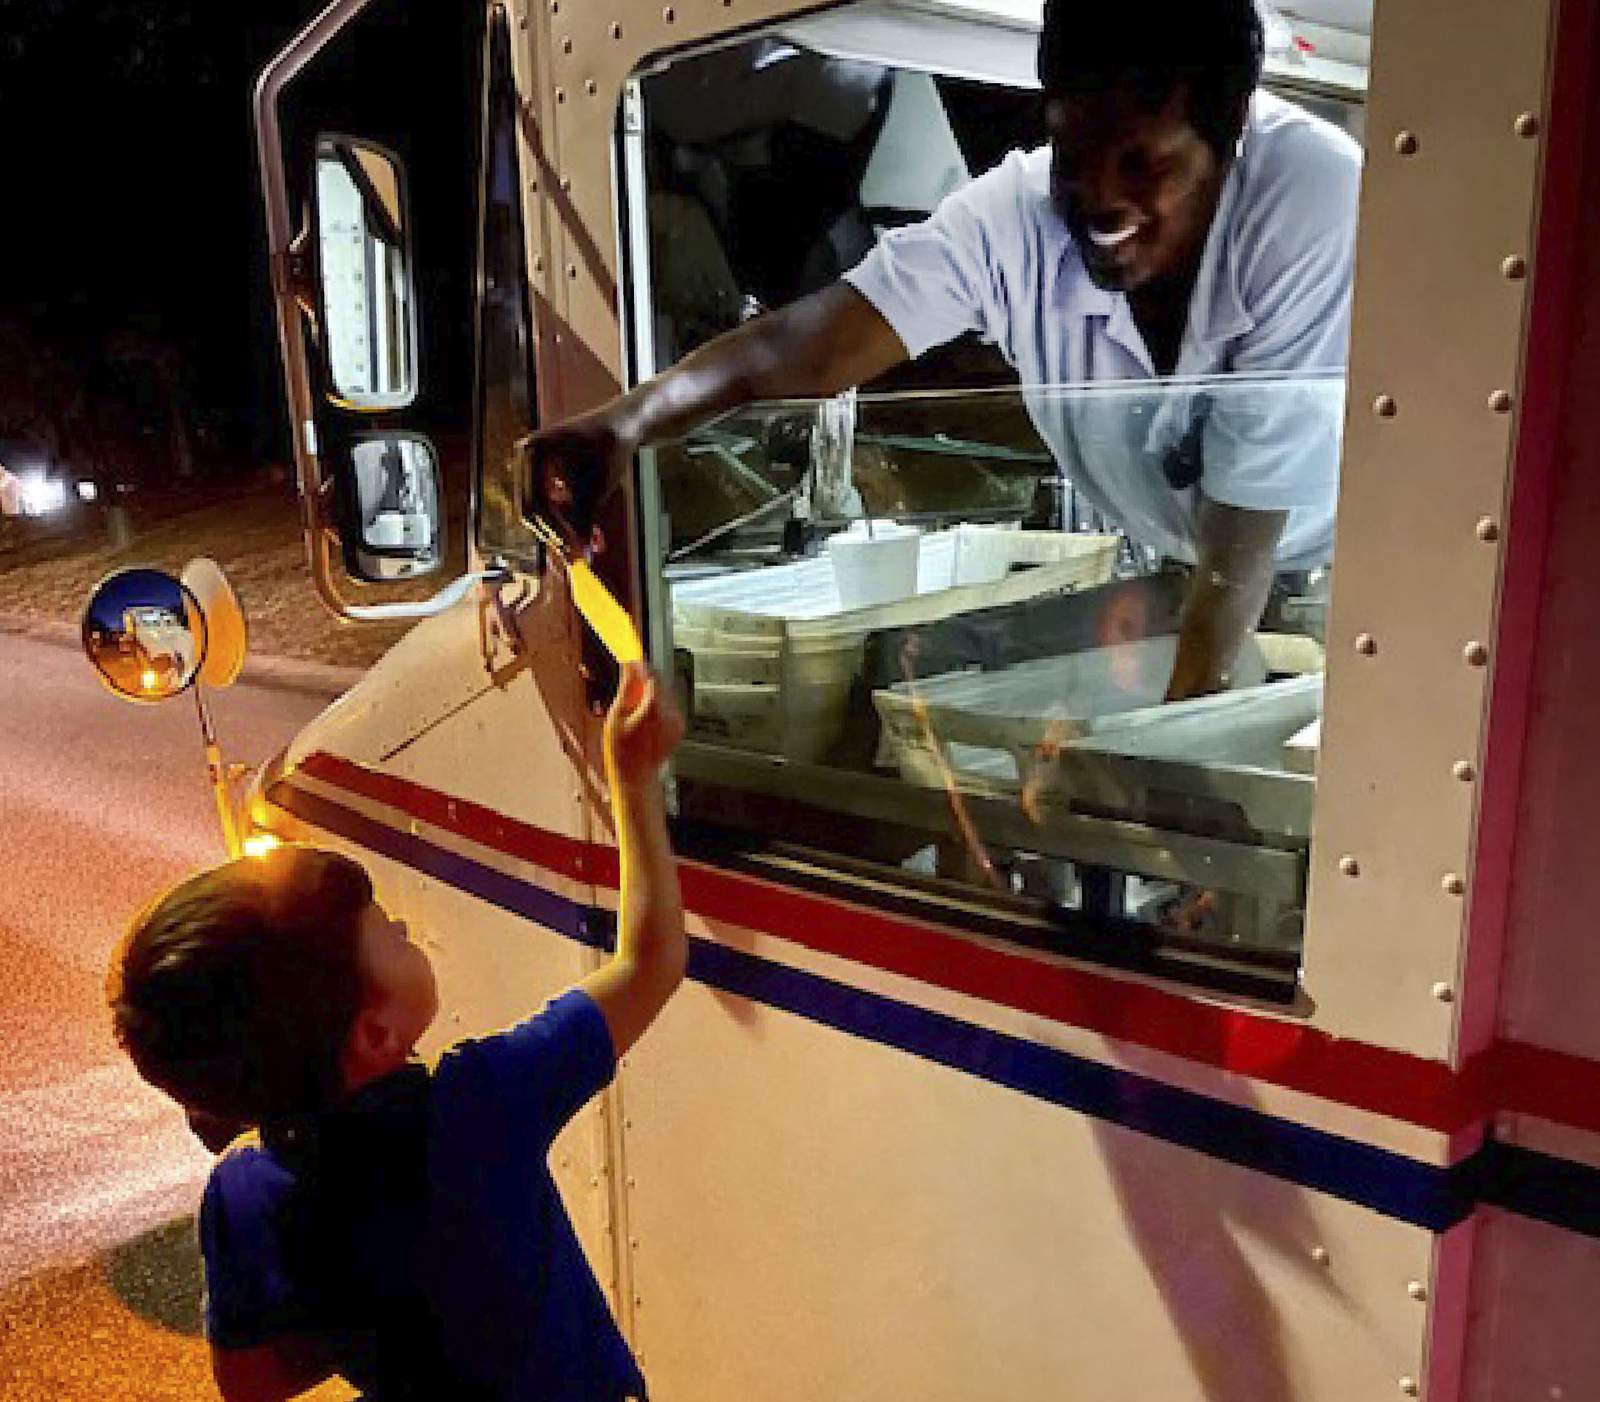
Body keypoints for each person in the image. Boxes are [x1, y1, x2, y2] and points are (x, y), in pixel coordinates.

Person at [531, 0, 1361, 700]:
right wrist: (621, 424)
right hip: (1193, 573)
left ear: (1230, 139)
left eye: (1145, 164)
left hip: (1340, 589)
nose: (1101, 198)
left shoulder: (1309, 199)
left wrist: (1188, 811)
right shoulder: (1019, 212)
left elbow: (1239, 556)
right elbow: (808, 347)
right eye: (1077, 155)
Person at [106, 662, 685, 1401]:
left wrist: (379, 1313)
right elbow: (652, 961)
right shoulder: (483, 1101)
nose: (406, 926)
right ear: (375, 1035)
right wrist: (632, 776)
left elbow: (251, 1384)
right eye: (388, 934)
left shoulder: (241, 1195)